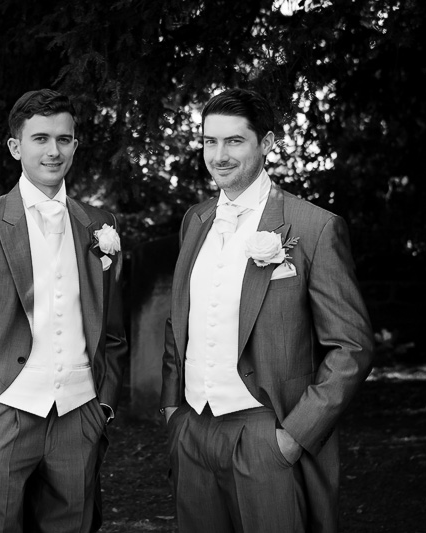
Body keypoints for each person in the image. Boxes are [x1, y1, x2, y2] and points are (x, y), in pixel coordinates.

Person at [160, 87, 374, 533]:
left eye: (234, 141)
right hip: (192, 430)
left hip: (266, 434)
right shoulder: (195, 220)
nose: (219, 155)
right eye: (209, 141)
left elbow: (351, 347)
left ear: (267, 143)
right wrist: (171, 410)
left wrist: (294, 436)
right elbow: (179, 320)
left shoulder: (314, 227)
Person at [0, 88, 128, 533]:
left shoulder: (100, 224)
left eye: (63, 139)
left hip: (80, 414)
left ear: (75, 145)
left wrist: (104, 406)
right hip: (2, 415)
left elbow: (113, 331)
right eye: (40, 139)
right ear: (16, 147)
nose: (53, 150)